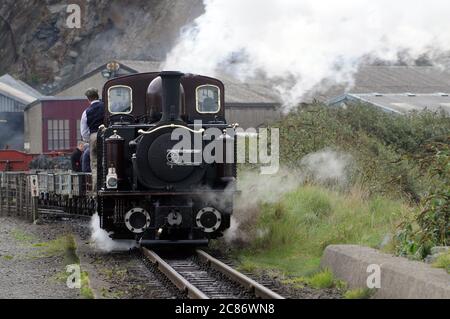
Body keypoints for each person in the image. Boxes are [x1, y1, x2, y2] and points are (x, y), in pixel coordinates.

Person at [80, 88, 104, 190]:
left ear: (88, 99)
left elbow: (84, 131)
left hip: (93, 136)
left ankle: (96, 190)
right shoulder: (105, 107)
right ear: (97, 95)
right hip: (106, 134)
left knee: (94, 164)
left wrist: (88, 139)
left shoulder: (86, 112)